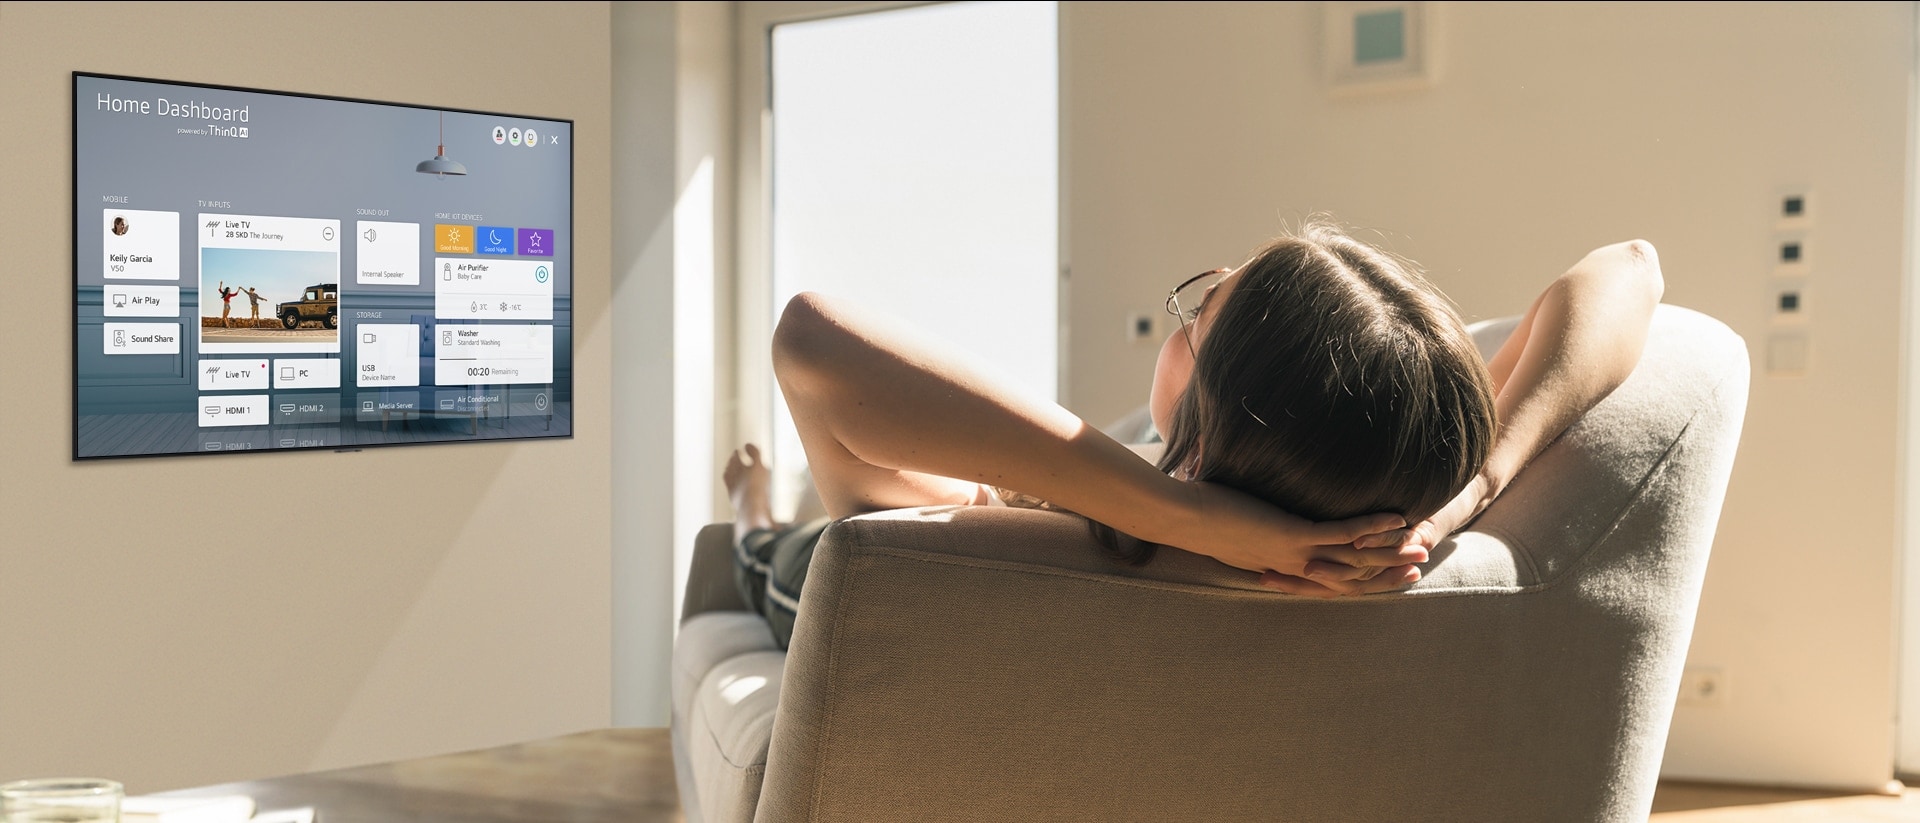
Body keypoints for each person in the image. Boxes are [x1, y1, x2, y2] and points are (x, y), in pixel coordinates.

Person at [725, 221, 1662, 644]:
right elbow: (1630, 266)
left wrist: (1185, 513)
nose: (1192, 299)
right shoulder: (1394, 494)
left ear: (1206, 454)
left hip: (807, 567)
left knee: (763, 545)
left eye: (1201, 310)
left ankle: (749, 510)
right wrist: (1475, 483)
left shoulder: (1076, 532)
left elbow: (811, 334)